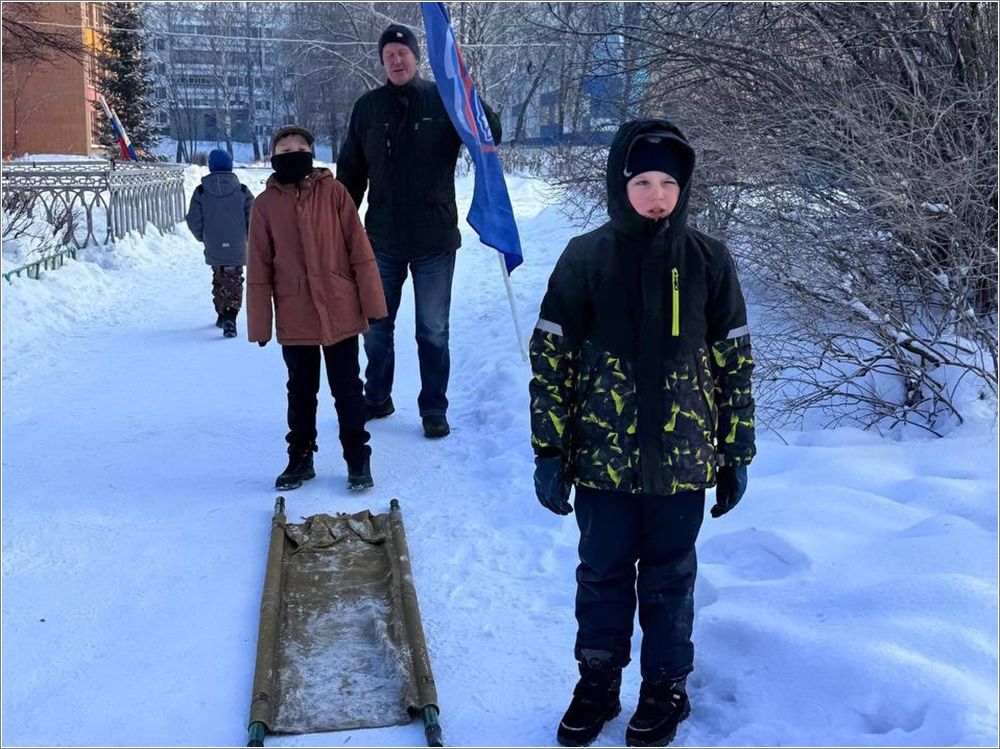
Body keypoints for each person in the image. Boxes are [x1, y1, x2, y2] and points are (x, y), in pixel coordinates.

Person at [529, 119, 756, 748]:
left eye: (669, 184)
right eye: (643, 182)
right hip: (603, 460)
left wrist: (735, 452)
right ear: (619, 185)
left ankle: (664, 687)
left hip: (682, 460)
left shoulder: (710, 260)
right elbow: (551, 360)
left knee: (669, 577)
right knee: (602, 572)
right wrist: (550, 448)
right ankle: (598, 681)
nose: (657, 196)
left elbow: (734, 362)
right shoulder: (586, 256)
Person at [336, 23, 502, 439]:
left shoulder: (444, 99)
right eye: (388, 55)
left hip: (434, 239)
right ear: (382, 62)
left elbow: (491, 134)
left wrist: (464, 90)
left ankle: (433, 407)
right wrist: (340, 226)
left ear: (416, 56)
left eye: (402, 53)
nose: (396, 60)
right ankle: (377, 396)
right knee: (376, 327)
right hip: (382, 240)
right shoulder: (367, 108)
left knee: (432, 330)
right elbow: (351, 172)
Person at [247, 125, 388, 492]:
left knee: (348, 389)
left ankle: (357, 456)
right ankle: (300, 456)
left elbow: (359, 249)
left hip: (341, 309)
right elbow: (259, 267)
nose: (293, 153)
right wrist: (260, 324)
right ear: (274, 157)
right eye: (284, 149)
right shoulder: (265, 205)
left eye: (300, 148)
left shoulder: (334, 192)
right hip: (295, 314)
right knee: (300, 390)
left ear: (311, 153)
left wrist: (372, 302)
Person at [185, 148, 253, 338]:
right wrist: (247, 236)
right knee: (234, 278)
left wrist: (203, 236)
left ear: (211, 167)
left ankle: (222, 313)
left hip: (213, 243)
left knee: (219, 276)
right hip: (237, 244)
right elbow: (254, 216)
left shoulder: (201, 192)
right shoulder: (242, 191)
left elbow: (194, 219)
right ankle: (231, 315)